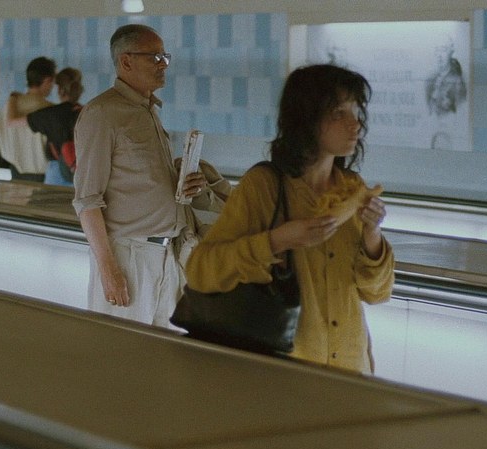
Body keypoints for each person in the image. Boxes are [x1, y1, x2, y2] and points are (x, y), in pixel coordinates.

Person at [185, 64, 395, 374]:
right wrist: (277, 240)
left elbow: (377, 293)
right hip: (286, 370)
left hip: (350, 369)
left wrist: (372, 235)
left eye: (356, 111)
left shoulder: (352, 188)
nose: (355, 124)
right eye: (339, 113)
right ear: (307, 119)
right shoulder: (265, 185)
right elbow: (201, 271)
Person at [72, 24, 230, 327]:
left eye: (165, 57)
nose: (163, 65)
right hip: (129, 256)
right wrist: (109, 269)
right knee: (123, 350)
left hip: (168, 253)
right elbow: (87, 200)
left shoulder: (148, 111)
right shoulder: (102, 114)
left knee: (165, 350)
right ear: (126, 61)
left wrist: (187, 184)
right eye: (155, 57)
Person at [6, 67, 84, 187]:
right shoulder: (87, 112)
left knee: (49, 199)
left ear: (60, 90)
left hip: (57, 173)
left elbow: (11, 122)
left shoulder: (50, 114)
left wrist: (12, 98)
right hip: (83, 171)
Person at [0, 56, 56, 182]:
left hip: (14, 175)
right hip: (43, 178)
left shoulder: (7, 108)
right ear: (48, 80)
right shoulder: (50, 110)